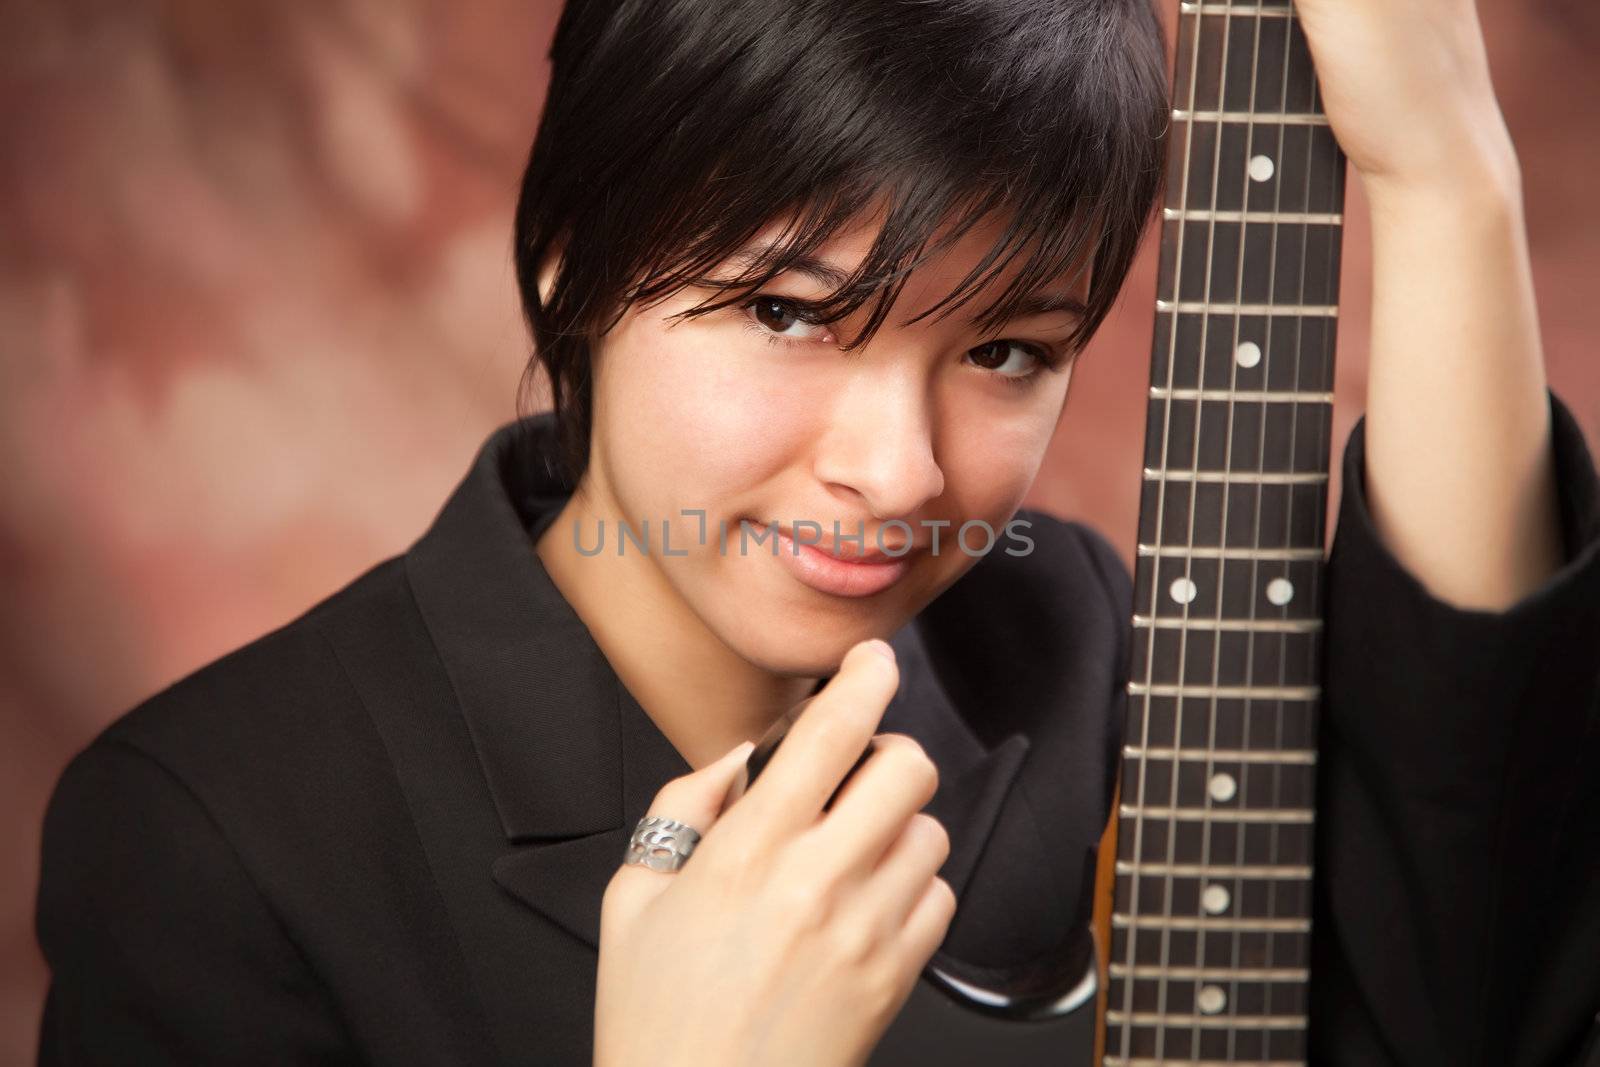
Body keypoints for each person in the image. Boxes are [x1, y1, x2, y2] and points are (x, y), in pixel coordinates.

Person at [30, 0, 1600, 1064]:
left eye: (1008, 352)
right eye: (788, 313)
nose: (897, 470)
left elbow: (1467, 975)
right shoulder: (214, 840)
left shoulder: (1077, 645)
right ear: (575, 259)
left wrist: (1447, 177)